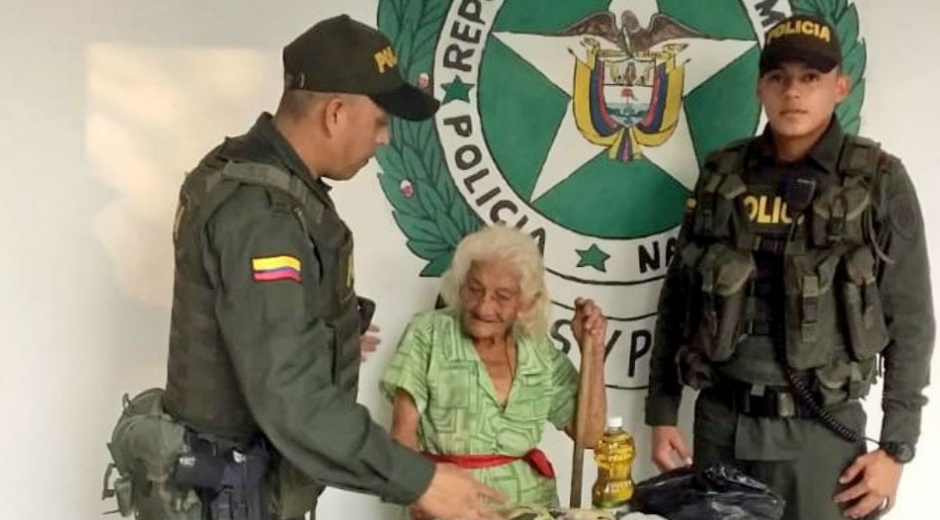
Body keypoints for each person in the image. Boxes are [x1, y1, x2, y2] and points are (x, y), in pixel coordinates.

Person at [153, 13, 503, 520]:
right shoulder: (263, 214)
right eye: (380, 121)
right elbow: (291, 399)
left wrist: (322, 336)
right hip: (228, 495)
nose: (384, 140)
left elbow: (247, 324)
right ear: (336, 113)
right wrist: (419, 480)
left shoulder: (241, 173)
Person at [645, 14, 934, 520]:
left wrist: (896, 448)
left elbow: (911, 322)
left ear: (840, 87)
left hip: (820, 437)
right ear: (760, 87)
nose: (793, 93)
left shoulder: (879, 181)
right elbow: (678, 298)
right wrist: (663, 410)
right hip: (722, 428)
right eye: (778, 78)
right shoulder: (721, 174)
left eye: (811, 78)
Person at [380, 225, 609, 513]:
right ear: (460, 286)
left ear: (525, 302)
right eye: (475, 289)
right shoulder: (429, 333)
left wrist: (593, 351)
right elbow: (402, 436)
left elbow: (589, 435)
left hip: (531, 508)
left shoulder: (538, 348)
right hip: (450, 505)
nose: (484, 307)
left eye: (502, 296)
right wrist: (421, 499)